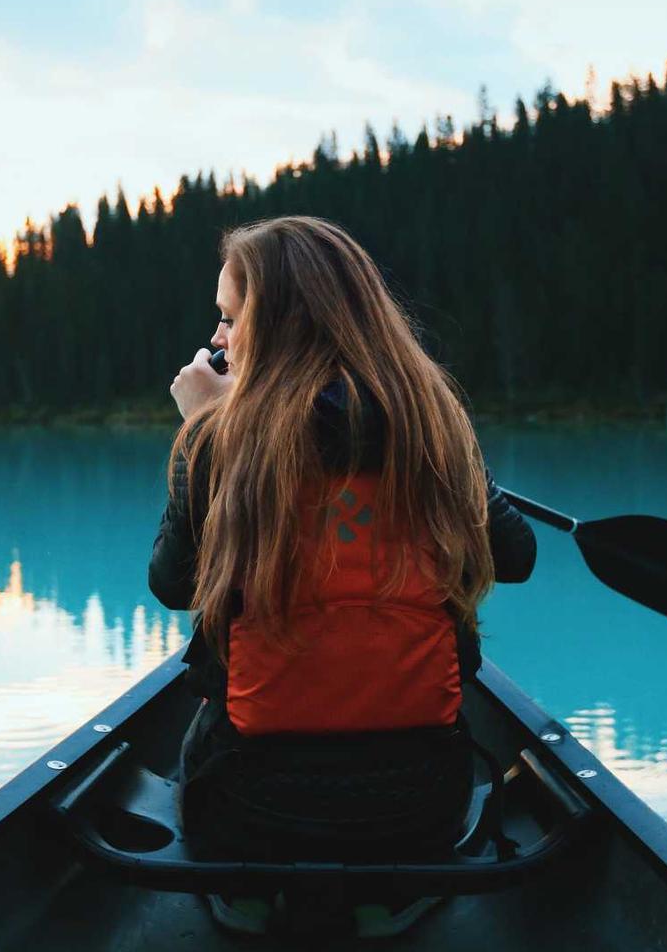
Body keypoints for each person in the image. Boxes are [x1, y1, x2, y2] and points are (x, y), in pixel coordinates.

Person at [148, 215, 536, 876]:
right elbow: (515, 558)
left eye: (230, 317)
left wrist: (206, 428)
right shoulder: (433, 422)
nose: (216, 338)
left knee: (202, 721)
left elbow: (173, 585)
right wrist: (459, 456)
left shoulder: (220, 438)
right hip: (420, 805)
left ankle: (246, 897)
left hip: (250, 806)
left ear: (278, 324)